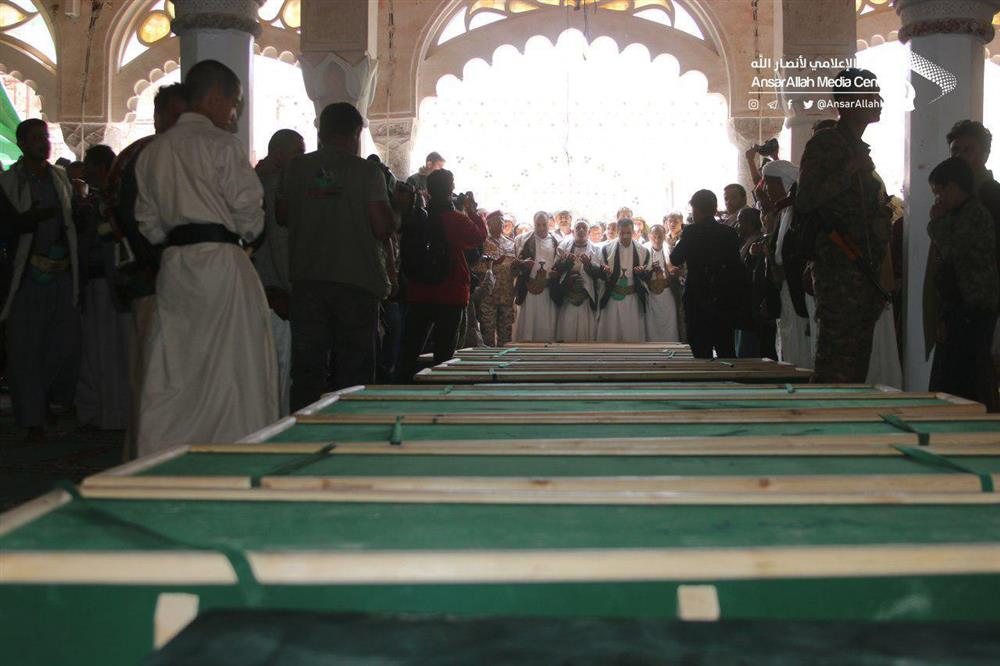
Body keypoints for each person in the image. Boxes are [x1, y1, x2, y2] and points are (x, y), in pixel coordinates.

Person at [134, 59, 278, 453]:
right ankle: (235, 447)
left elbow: (147, 222)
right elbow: (249, 213)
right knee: (234, 362)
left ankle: (165, 452)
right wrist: (243, 234)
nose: (234, 114)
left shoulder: (153, 152)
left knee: (177, 360)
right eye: (234, 103)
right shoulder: (222, 145)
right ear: (215, 97)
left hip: (175, 267)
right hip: (222, 264)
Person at [278, 103, 396, 406]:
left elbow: (282, 215)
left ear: (321, 132)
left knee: (308, 370)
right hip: (356, 283)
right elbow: (381, 227)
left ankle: (305, 429)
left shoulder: (296, 168)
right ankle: (351, 431)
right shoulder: (367, 172)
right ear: (356, 133)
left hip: (307, 281)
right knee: (354, 373)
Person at [105, 82, 187, 459]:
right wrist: (161, 266)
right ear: (158, 116)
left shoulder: (178, 154)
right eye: (176, 115)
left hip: (175, 279)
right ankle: (143, 458)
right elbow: (132, 222)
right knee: (150, 375)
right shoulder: (142, 156)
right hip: (150, 281)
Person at [796, 68, 892, 383]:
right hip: (839, 271)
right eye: (870, 94)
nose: (878, 101)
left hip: (863, 272)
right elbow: (806, 199)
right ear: (850, 102)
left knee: (855, 364)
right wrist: (849, 169)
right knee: (834, 362)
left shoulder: (857, 147)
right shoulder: (827, 143)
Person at [0, 119, 80, 442]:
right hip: (26, 276)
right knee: (25, 348)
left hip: (61, 273)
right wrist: (27, 221)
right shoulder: (8, 183)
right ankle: (33, 416)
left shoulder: (60, 178)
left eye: (45, 137)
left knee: (64, 344)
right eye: (35, 138)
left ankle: (43, 398)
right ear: (21, 143)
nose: (43, 142)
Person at [924, 156, 999, 408]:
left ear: (954, 186)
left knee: (966, 381)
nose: (938, 199)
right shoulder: (958, 214)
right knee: (949, 378)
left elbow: (952, 251)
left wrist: (936, 223)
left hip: (973, 311)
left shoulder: (974, 215)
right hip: (959, 310)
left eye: (940, 191)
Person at [398, 170, 486, 380]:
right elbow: (479, 237)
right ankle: (439, 388)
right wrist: (471, 210)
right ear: (450, 189)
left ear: (428, 190)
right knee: (444, 352)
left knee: (410, 348)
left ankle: (402, 384)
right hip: (450, 291)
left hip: (419, 291)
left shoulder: (418, 217)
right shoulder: (455, 219)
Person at [75, 144, 131, 431]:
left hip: (110, 282)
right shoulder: (102, 199)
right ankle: (107, 409)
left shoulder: (112, 200)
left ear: (99, 168)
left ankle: (114, 412)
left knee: (110, 348)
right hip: (100, 282)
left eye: (88, 165)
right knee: (103, 349)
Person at [252, 129, 304, 416]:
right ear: (279, 155)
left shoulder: (257, 182)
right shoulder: (275, 187)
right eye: (298, 153)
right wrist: (291, 289)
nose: (303, 159)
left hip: (262, 290)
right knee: (282, 372)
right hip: (278, 295)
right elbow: (279, 244)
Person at [946, 120, 1000, 381]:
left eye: (968, 150)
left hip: (982, 308)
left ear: (985, 154)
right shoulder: (954, 196)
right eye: (955, 151)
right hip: (958, 307)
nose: (960, 157)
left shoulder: (991, 195)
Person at [670, 190, 743, 358]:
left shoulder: (691, 232)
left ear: (696, 210)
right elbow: (736, 266)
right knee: (726, 349)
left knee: (701, 351)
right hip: (723, 298)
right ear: (715, 208)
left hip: (697, 297)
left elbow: (675, 258)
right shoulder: (729, 233)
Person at [762, 156, 816, 369]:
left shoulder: (799, 213)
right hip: (785, 288)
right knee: (788, 339)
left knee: (800, 338)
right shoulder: (783, 212)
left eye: (770, 185)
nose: (766, 190)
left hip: (798, 288)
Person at [597, 218, 649, 342]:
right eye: (622, 233)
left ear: (633, 232)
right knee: (611, 334)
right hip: (612, 298)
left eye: (628, 233)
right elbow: (600, 273)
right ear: (617, 232)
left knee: (632, 334)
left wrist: (641, 272)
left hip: (633, 299)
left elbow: (647, 275)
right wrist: (605, 271)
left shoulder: (643, 251)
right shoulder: (606, 249)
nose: (625, 236)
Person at [512, 211, 561, 342]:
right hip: (529, 288)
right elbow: (515, 263)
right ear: (533, 224)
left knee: (547, 323)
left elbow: (560, 264)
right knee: (528, 323)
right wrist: (522, 264)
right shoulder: (522, 240)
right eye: (537, 225)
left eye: (544, 224)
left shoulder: (557, 241)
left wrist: (556, 273)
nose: (541, 228)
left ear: (549, 224)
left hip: (548, 289)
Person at [553, 220, 601, 342]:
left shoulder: (597, 250)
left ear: (589, 232)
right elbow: (556, 269)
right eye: (578, 228)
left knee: (585, 336)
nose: (581, 230)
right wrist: (567, 263)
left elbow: (599, 275)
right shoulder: (563, 247)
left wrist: (588, 265)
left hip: (586, 299)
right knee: (566, 335)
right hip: (568, 299)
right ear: (573, 232)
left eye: (584, 228)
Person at [479, 211, 516, 347]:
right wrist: (493, 264)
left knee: (506, 337)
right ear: (488, 224)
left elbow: (514, 268)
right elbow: (475, 267)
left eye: (502, 220)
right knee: (487, 335)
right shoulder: (482, 243)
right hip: (488, 296)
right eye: (497, 221)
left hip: (506, 295)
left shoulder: (511, 243)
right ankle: (487, 360)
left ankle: (505, 360)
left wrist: (519, 265)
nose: (500, 223)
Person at [643, 223, 679, 342]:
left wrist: (673, 272)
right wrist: (650, 269)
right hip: (651, 294)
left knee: (669, 323)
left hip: (667, 292)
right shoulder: (642, 250)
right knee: (651, 324)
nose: (657, 239)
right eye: (654, 236)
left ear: (664, 236)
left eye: (660, 236)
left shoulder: (670, 249)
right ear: (649, 236)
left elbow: (673, 267)